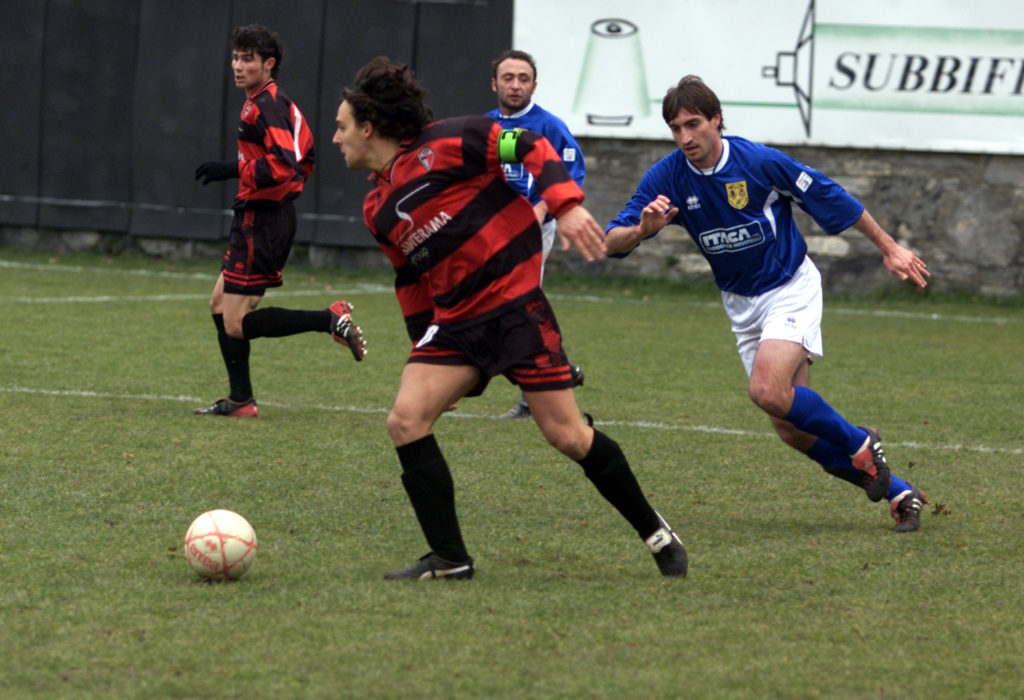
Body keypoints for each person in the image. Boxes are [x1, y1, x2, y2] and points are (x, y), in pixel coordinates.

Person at [332, 56, 687, 579]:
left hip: (515, 308)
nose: (336, 139)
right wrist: (419, 351)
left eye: (341, 128)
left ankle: (657, 533)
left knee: (568, 435)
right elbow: (411, 279)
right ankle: (450, 559)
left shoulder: (451, 140)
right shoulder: (376, 207)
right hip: (455, 324)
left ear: (368, 127)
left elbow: (527, 145)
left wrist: (564, 204)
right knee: (406, 420)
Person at [606, 75, 931, 533]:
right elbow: (610, 242)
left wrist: (889, 247)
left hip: (789, 287)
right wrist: (643, 229)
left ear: (716, 119)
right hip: (741, 305)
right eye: (676, 128)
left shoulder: (757, 162)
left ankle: (861, 442)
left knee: (766, 392)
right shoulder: (667, 176)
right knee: (790, 428)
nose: (685, 137)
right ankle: (899, 492)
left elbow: (829, 195)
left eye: (693, 124)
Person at [192, 24, 365, 418]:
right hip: (258, 215)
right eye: (235, 56)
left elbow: (285, 166)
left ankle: (329, 319)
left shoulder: (267, 103)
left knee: (236, 322)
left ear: (268, 64)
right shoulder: (264, 100)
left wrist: (233, 168)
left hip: (263, 220)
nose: (238, 65)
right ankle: (240, 400)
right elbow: (301, 160)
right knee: (220, 305)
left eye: (247, 58)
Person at [486, 49, 587, 419]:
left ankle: (545, 383)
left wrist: (543, 208)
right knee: (506, 309)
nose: (515, 85)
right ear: (494, 83)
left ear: (534, 85)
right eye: (508, 78)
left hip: (532, 232)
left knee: (514, 306)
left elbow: (572, 174)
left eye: (523, 79)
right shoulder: (485, 127)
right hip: (489, 234)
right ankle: (557, 370)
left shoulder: (549, 127)